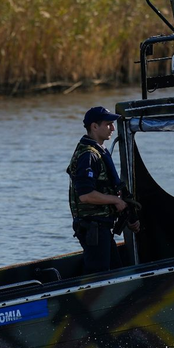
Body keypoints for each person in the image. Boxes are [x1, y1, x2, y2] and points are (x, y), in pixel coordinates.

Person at [67, 106, 138, 275]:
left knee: (115, 272)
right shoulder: (88, 155)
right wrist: (116, 201)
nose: (113, 128)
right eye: (108, 124)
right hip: (93, 227)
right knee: (98, 277)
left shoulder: (97, 151)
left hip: (101, 227)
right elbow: (86, 195)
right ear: (94, 126)